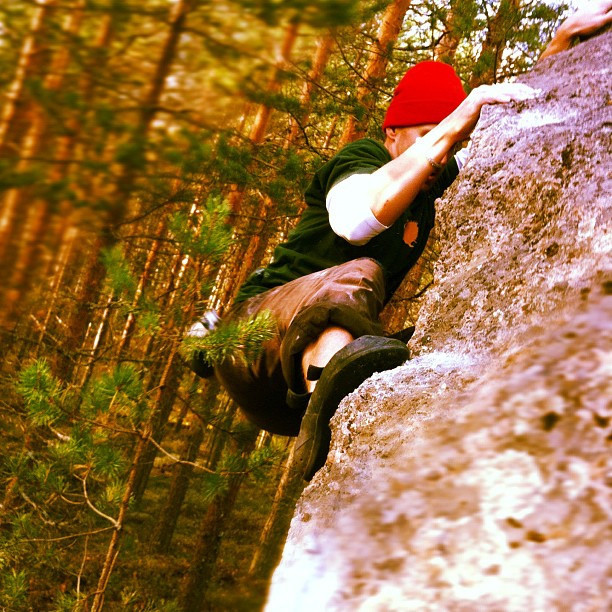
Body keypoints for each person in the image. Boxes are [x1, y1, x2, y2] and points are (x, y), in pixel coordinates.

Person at [190, 2, 612, 481]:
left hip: (284, 402)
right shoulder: (363, 159)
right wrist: (455, 121)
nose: (441, 152)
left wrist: (559, 45)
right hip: (253, 341)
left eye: (449, 141)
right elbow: (354, 221)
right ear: (392, 131)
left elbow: (503, 136)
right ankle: (323, 399)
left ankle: (345, 428)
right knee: (360, 272)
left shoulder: (430, 182)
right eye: (427, 135)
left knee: (424, 351)